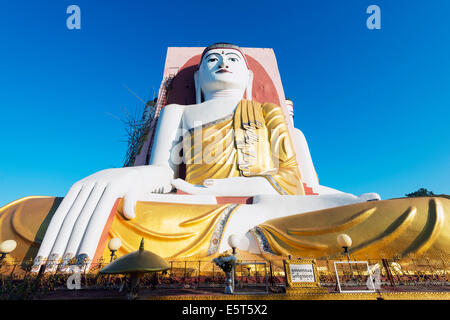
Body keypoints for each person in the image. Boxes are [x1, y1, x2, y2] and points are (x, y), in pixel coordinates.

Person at [21, 43, 448, 272]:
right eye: (213, 59)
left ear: (247, 76)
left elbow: (293, 181)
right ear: (199, 75)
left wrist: (353, 201)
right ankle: (250, 245)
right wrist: (119, 179)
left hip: (278, 208)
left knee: (428, 215)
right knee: (31, 214)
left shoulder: (271, 116)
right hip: (191, 210)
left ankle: (252, 238)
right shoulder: (179, 112)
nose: (223, 63)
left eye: (233, 59)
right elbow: (161, 172)